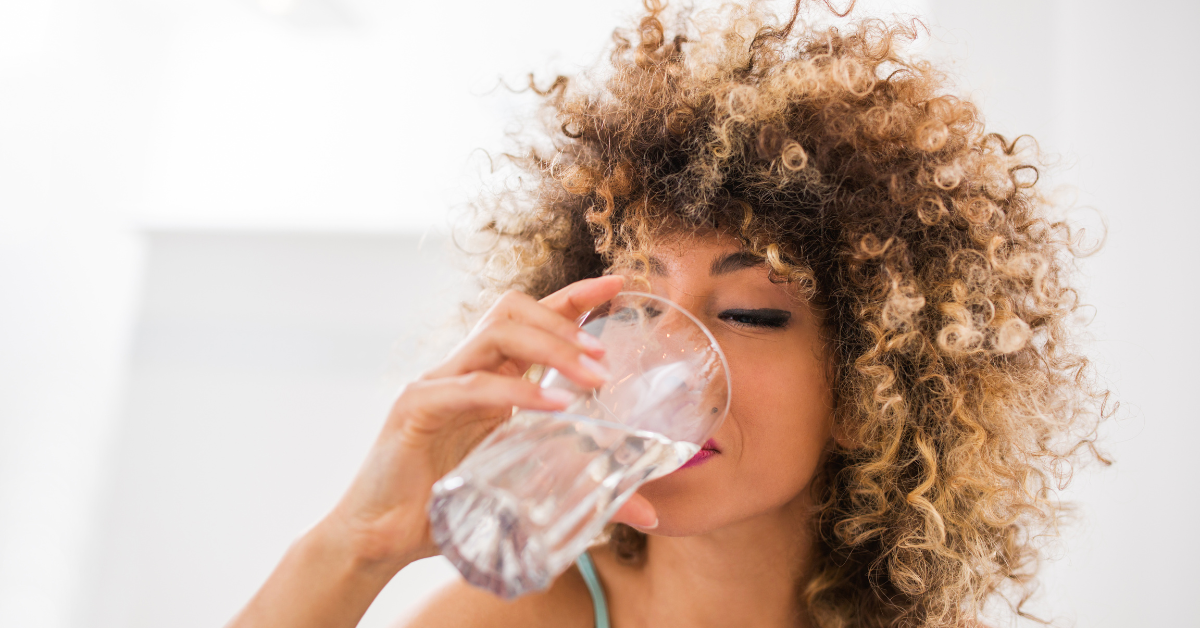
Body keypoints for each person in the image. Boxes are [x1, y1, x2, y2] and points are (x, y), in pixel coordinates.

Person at [226, 1, 1110, 627]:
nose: (663, 360)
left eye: (752, 315)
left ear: (867, 391)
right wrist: (358, 546)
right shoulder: (524, 618)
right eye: (637, 302)